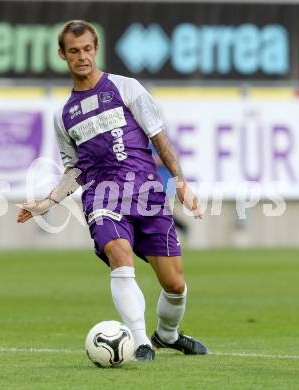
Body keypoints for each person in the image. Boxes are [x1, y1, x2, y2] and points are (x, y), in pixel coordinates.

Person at [16, 20, 208, 361]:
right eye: (73, 51)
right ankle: (140, 342)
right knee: (119, 254)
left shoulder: (126, 88)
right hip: (102, 198)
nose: (81, 57)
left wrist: (180, 182)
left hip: (147, 195)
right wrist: (48, 202)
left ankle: (167, 335)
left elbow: (159, 138)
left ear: (96, 49)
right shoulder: (64, 117)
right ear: (62, 55)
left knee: (175, 285)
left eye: (87, 49)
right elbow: (75, 169)